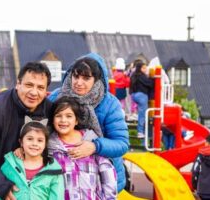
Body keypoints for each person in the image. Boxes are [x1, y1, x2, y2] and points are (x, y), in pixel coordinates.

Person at [0, 62, 52, 200]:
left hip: (25, 189)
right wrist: (0, 185)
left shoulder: (49, 110)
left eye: (40, 87)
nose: (34, 92)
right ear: (18, 83)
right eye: (29, 85)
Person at [48, 52, 129, 192]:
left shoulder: (109, 104)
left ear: (97, 79)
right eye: (76, 76)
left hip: (100, 177)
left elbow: (121, 143)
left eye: (86, 78)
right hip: (62, 175)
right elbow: (39, 128)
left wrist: (94, 146)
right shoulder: (57, 96)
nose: (79, 82)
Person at [48, 96, 117, 199]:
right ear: (53, 120)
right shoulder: (49, 146)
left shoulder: (91, 141)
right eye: (58, 116)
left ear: (76, 120)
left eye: (69, 116)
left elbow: (107, 171)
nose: (63, 120)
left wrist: (109, 198)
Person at [0, 117, 64, 200]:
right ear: (21, 142)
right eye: (30, 139)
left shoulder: (53, 169)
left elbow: (57, 196)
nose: (35, 143)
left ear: (45, 144)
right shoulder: (10, 165)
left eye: (40, 140)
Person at [130, 62, 154, 139]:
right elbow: (150, 84)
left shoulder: (134, 75)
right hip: (142, 95)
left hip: (134, 95)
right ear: (140, 68)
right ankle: (140, 131)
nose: (146, 69)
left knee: (142, 113)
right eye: (144, 68)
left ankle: (142, 130)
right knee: (142, 114)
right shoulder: (141, 76)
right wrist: (152, 78)